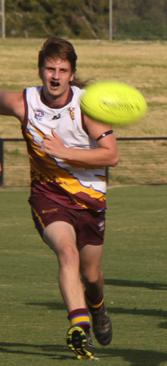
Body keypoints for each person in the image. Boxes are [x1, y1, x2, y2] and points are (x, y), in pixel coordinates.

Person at [0, 37, 118, 359]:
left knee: (92, 276)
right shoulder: (24, 103)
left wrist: (66, 152)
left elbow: (111, 155)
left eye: (62, 70)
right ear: (40, 71)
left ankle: (97, 307)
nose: (55, 76)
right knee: (67, 253)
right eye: (50, 68)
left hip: (90, 202)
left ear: (71, 73)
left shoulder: (87, 107)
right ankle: (79, 326)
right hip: (48, 196)